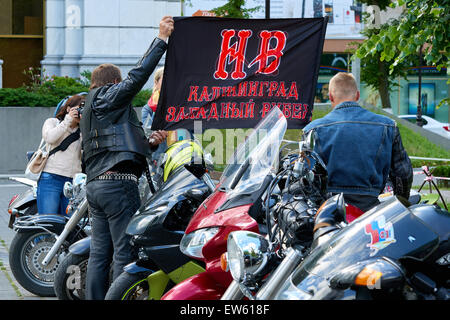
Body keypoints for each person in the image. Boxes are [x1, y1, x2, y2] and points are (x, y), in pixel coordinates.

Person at [80, 16, 173, 300]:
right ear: (113, 83)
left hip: (96, 186)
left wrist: (150, 144)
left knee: (99, 252)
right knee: (123, 250)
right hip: (117, 185)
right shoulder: (108, 97)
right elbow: (137, 78)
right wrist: (161, 40)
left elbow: (114, 145)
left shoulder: (89, 108)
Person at [302, 72, 413, 212]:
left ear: (330, 96)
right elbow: (403, 174)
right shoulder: (388, 126)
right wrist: (400, 203)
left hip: (329, 213)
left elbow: (306, 178)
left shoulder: (312, 129)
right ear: (358, 95)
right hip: (370, 211)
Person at [37, 95, 84, 216]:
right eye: (79, 108)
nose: (80, 112)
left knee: (70, 226)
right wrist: (68, 121)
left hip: (73, 182)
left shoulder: (82, 130)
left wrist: (85, 125)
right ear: (68, 109)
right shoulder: (52, 122)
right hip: (51, 178)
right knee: (48, 222)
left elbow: (87, 151)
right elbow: (50, 138)